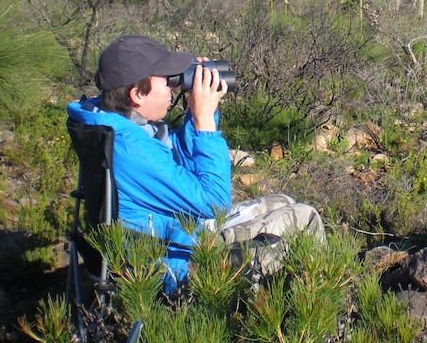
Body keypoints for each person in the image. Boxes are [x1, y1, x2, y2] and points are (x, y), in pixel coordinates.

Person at [67, 35, 324, 293]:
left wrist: (198, 111)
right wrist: (205, 126)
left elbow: (176, 161)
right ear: (137, 94)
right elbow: (213, 202)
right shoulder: (131, 149)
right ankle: (304, 318)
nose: (173, 88)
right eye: (167, 80)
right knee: (304, 218)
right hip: (175, 264)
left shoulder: (114, 126)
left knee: (283, 203)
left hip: (172, 236)